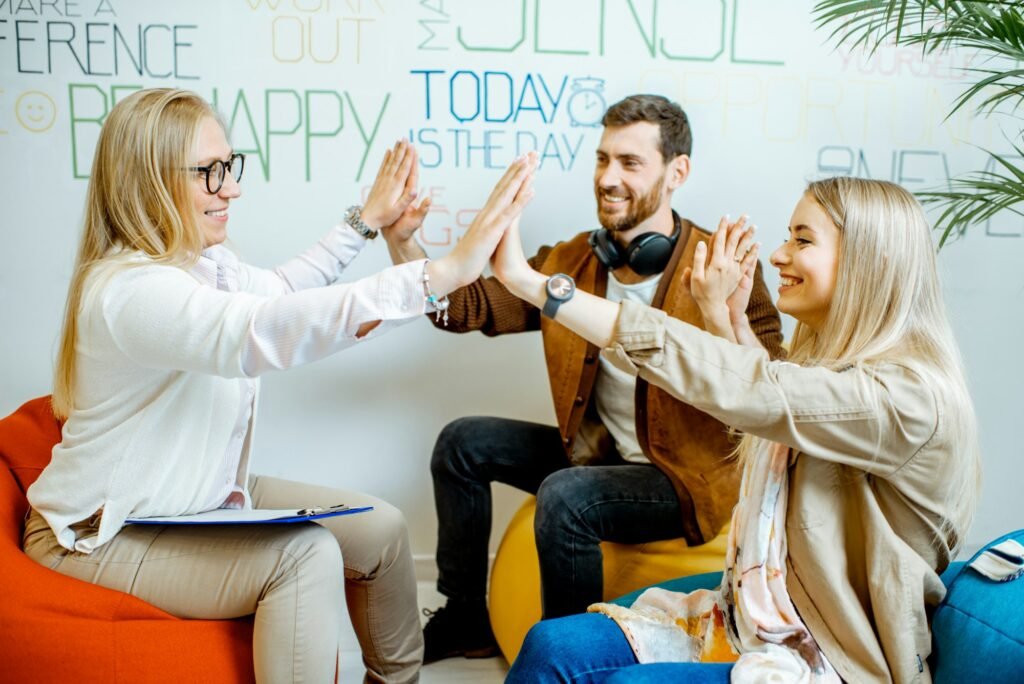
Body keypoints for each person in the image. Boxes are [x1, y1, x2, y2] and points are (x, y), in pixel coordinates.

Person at [22, 88, 536, 684]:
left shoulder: (204, 265)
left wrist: (365, 222)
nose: (231, 188)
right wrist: (440, 274)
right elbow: (260, 332)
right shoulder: (130, 290)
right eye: (209, 173)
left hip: (196, 492)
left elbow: (285, 292)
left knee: (383, 530)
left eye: (229, 166)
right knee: (303, 555)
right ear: (150, 182)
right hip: (104, 533)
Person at [496, 177, 981, 682]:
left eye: (802, 239)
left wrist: (537, 287)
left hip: (823, 655)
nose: (778, 255)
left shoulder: (908, 399)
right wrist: (720, 313)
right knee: (549, 645)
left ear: (869, 262)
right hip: (748, 616)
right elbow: (773, 406)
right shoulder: (835, 375)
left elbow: (762, 393)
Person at [380, 94, 784, 662]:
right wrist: (403, 241)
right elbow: (466, 309)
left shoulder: (723, 267)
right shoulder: (573, 260)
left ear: (678, 172)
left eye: (629, 162)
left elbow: (776, 386)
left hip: (683, 480)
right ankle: (466, 616)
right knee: (462, 443)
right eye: (601, 159)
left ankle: (567, 659)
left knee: (565, 497)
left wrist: (727, 314)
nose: (608, 177)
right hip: (600, 455)